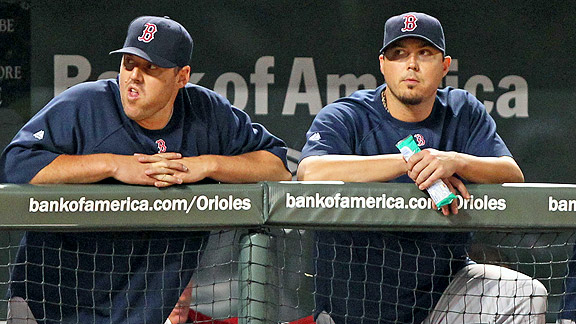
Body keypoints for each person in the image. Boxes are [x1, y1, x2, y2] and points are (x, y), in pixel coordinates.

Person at [0, 15, 291, 324]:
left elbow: (277, 168)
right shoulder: (85, 105)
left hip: (139, 309)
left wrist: (207, 163)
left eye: (150, 67)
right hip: (52, 302)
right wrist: (112, 165)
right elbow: (16, 164)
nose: (134, 77)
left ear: (182, 76)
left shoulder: (207, 114)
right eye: (128, 64)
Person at [298, 12, 547, 324]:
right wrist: (411, 161)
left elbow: (511, 174)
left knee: (525, 293)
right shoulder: (348, 115)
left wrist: (455, 161)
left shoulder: (462, 110)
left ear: (444, 65)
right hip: (356, 302)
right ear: (383, 65)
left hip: (443, 294)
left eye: (424, 53)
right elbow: (310, 171)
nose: (411, 65)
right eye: (398, 54)